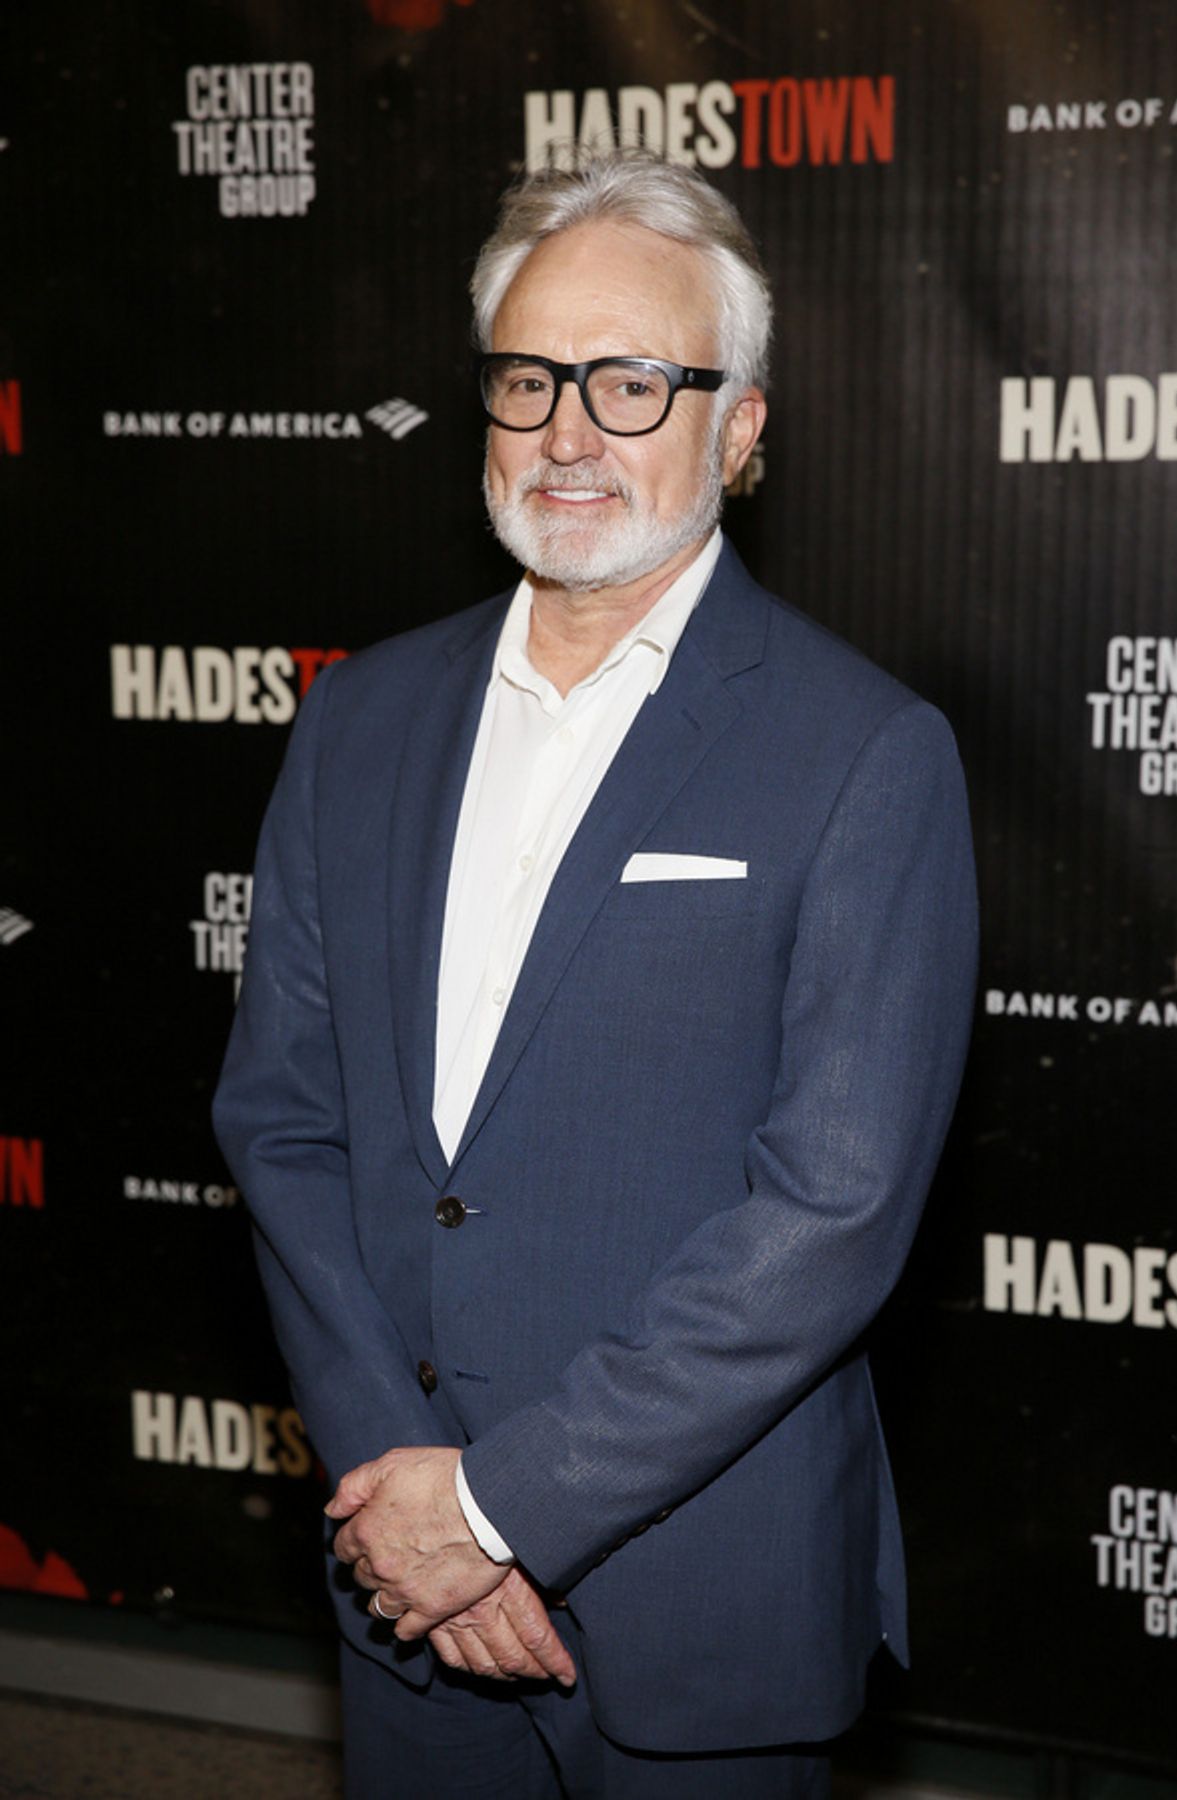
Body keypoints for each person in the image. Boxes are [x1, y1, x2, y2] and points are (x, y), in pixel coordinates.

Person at [213, 150, 978, 1798]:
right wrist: (403, 1497)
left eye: (636, 383)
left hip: (704, 1604)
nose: (571, 432)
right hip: (398, 1588)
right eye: (531, 377)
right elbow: (282, 1122)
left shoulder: (860, 753)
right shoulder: (359, 722)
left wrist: (500, 1513)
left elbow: (830, 1217)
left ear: (743, 428)